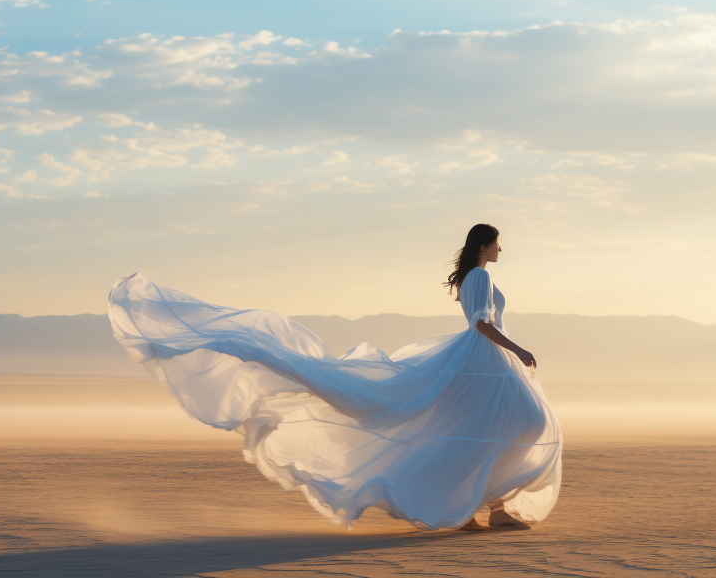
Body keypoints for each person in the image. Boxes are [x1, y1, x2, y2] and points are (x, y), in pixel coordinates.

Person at [107, 223, 562, 531]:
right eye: (498, 243)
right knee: (525, 423)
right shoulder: (479, 278)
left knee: (486, 429)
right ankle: (476, 507)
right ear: (485, 245)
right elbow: (482, 323)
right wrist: (518, 349)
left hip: (478, 360)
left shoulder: (471, 276)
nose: (502, 249)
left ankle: (480, 507)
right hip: (483, 359)